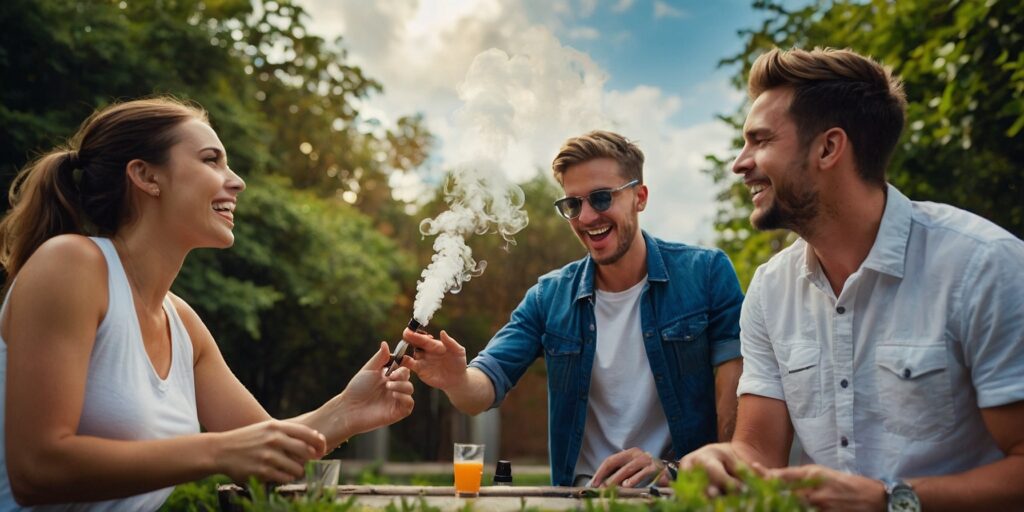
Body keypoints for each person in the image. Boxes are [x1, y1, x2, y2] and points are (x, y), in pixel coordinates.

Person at [0, 97, 415, 510]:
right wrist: (215, 452)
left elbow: (263, 448)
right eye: (211, 160)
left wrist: (348, 409)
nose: (237, 182)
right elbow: (37, 470)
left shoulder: (181, 321)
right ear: (145, 176)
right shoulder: (70, 265)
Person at [680, 47, 1024, 511]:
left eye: (760, 141)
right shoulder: (769, 289)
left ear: (828, 148)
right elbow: (757, 454)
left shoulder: (984, 266)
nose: (741, 163)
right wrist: (719, 460)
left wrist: (894, 501)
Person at [400, 130, 745, 487]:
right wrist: (456, 380)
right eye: (573, 204)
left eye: (600, 198)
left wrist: (683, 473)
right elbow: (482, 388)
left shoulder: (706, 274)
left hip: (681, 498)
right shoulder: (548, 296)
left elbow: (736, 402)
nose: (586, 217)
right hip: (580, 499)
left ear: (639, 197)